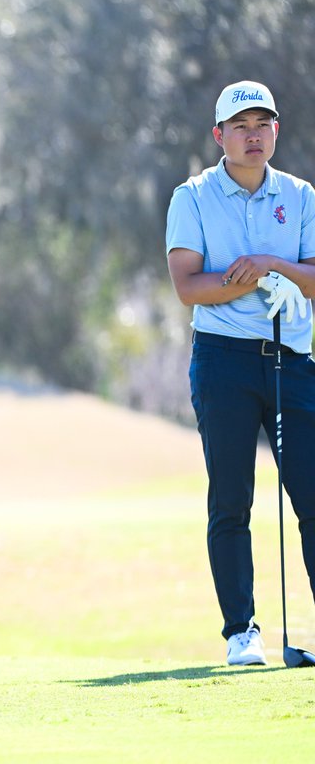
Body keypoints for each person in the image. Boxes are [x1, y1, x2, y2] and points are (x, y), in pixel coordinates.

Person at [166, 80, 315, 666]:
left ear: (276, 131)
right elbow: (188, 287)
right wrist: (258, 277)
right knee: (232, 499)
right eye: (241, 126)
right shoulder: (194, 197)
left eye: (263, 124)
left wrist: (277, 265)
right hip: (224, 361)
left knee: (312, 496)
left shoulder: (301, 195)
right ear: (219, 136)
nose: (253, 136)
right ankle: (241, 632)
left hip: (292, 362)